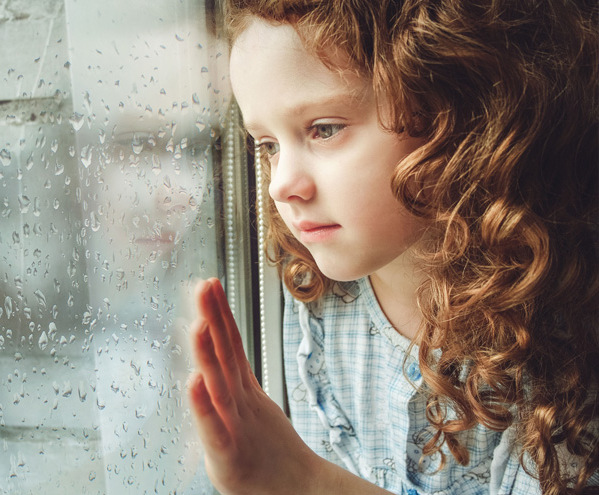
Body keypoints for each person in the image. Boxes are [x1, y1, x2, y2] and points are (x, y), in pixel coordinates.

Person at [186, 1, 599, 494]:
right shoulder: (318, 291)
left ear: (457, 115)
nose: (280, 186)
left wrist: (304, 482)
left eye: (324, 129)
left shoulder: (555, 325)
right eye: (268, 145)